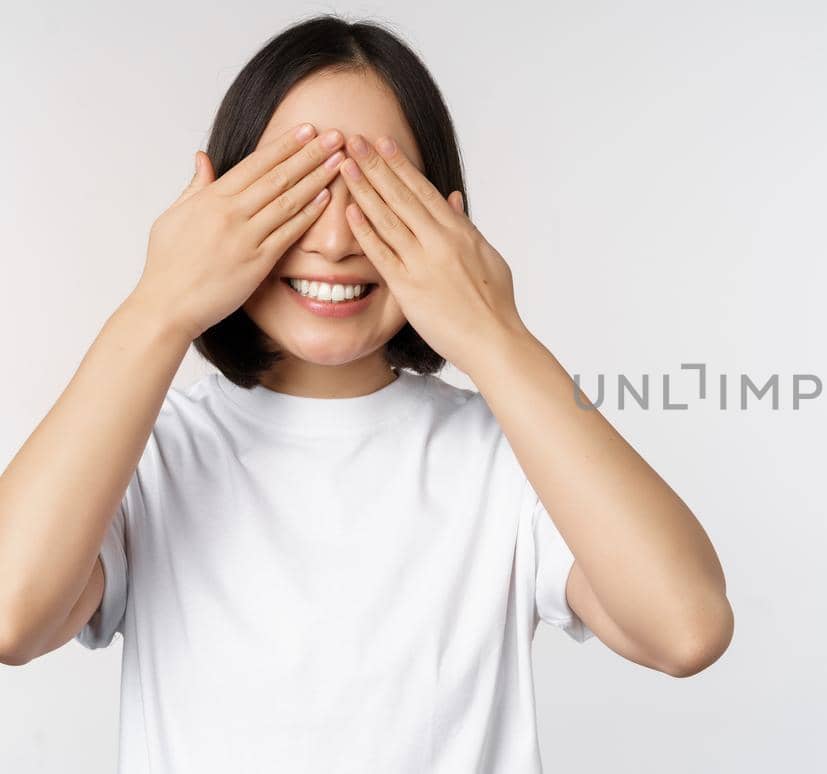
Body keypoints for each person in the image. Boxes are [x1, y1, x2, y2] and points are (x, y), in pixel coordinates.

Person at [0, 14, 733, 773]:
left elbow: (687, 629)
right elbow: (11, 617)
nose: (335, 241)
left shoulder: (509, 460)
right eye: (296, 189)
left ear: (445, 217)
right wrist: (157, 307)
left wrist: (494, 334)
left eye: (376, 194)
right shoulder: (145, 454)